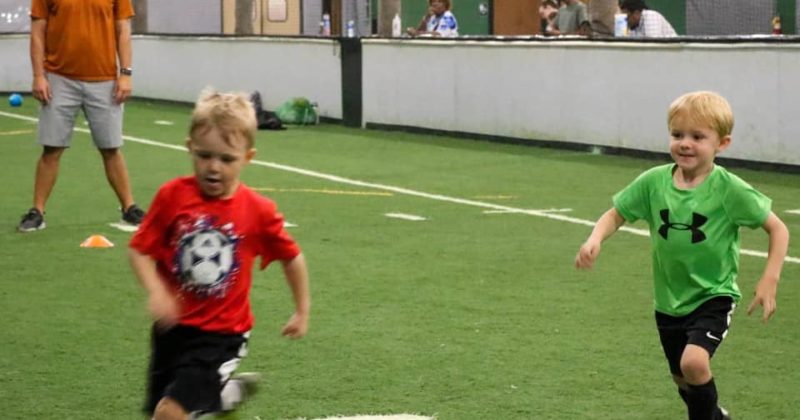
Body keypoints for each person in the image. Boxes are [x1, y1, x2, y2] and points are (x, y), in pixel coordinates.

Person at [575, 91, 789, 420]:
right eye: (677, 135)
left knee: (694, 363)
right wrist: (595, 239)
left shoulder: (729, 189)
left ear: (723, 143)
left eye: (697, 137)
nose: (685, 143)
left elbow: (778, 229)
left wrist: (769, 279)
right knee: (683, 379)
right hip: (669, 301)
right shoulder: (653, 182)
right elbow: (616, 213)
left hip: (712, 295)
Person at [128, 90, 311, 420]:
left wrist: (301, 310)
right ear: (189, 148)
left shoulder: (258, 211)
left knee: (168, 413)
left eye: (226, 159)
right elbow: (140, 250)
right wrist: (156, 292)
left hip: (222, 334)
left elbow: (292, 257)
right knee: (163, 407)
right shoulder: (172, 196)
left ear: (248, 157)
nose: (213, 167)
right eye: (204, 155)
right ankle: (227, 394)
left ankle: (215, 392)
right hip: (170, 330)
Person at [19, 0, 146, 232]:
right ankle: (36, 211)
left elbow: (123, 29)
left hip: (105, 80)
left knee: (111, 148)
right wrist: (39, 75)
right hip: (59, 78)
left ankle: (129, 208)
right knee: (51, 149)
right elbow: (38, 32)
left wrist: (126, 73)